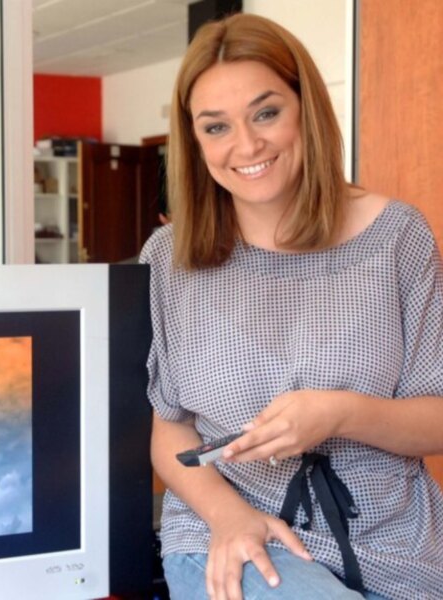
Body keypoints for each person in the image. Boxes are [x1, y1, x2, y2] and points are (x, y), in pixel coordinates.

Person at [140, 13, 443, 600]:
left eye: (266, 113)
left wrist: (338, 413)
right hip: (233, 533)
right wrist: (230, 519)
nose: (247, 146)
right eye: (216, 127)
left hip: (398, 544)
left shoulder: (398, 236)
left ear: (306, 108)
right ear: (194, 141)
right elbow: (168, 431)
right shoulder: (170, 258)